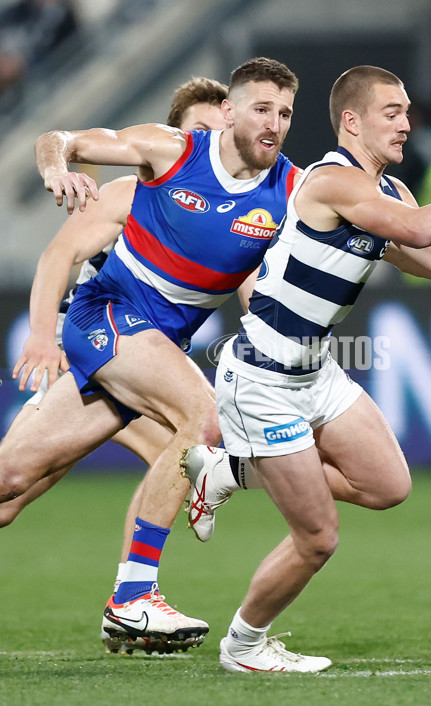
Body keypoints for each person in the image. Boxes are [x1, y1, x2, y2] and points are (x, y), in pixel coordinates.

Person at [199, 65, 431, 673]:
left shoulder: (389, 193)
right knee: (318, 537)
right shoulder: (331, 181)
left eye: (407, 111)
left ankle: (232, 471)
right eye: (391, 113)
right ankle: (243, 645)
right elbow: (418, 228)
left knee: (387, 486)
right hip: (262, 379)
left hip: (316, 373)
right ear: (351, 122)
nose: (406, 123)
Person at [0, 57, 300, 650]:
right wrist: (40, 330)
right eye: (261, 109)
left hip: (143, 356)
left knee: (8, 486)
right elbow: (59, 156)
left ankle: (138, 591)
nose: (273, 122)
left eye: (284, 113)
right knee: (200, 420)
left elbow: (262, 287)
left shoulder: (276, 194)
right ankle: (134, 597)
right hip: (104, 325)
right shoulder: (151, 170)